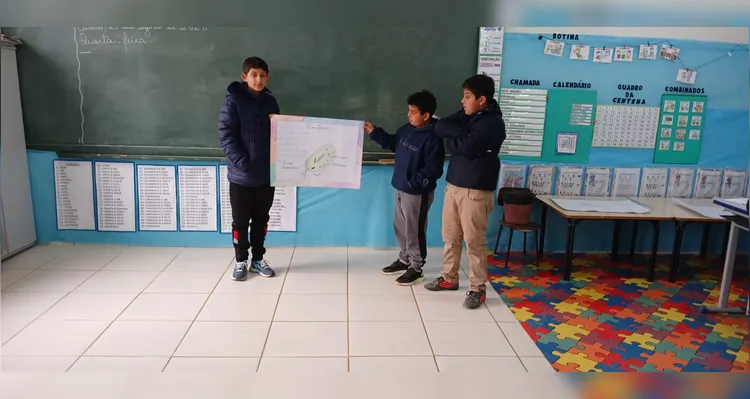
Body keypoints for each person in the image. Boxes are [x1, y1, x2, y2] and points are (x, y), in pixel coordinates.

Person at [423, 74, 506, 309]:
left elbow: (466, 147)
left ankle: (477, 288)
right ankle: (449, 278)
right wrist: (458, 136)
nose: (462, 101)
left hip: (476, 191)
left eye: (467, 97)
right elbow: (442, 126)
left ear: (481, 99)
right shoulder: (468, 115)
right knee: (451, 237)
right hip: (455, 185)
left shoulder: (492, 123)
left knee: (474, 242)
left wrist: (453, 140)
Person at [364, 90, 446, 285]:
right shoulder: (408, 129)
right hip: (400, 187)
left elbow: (433, 170)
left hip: (417, 192)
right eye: (408, 111)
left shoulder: (434, 137)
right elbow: (394, 142)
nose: (409, 115)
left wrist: (414, 183)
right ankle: (404, 259)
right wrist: (374, 132)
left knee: (414, 229)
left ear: (426, 116)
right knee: (400, 226)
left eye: (413, 112)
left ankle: (416, 267)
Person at [218, 56, 279, 281]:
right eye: (254, 74)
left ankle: (258, 260)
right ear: (245, 77)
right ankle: (241, 261)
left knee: (261, 220)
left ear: (267, 77)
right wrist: (242, 162)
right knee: (241, 221)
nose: (258, 79)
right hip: (241, 176)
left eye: (263, 75)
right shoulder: (233, 101)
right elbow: (225, 135)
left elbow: (279, 134)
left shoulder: (271, 102)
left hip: (265, 175)